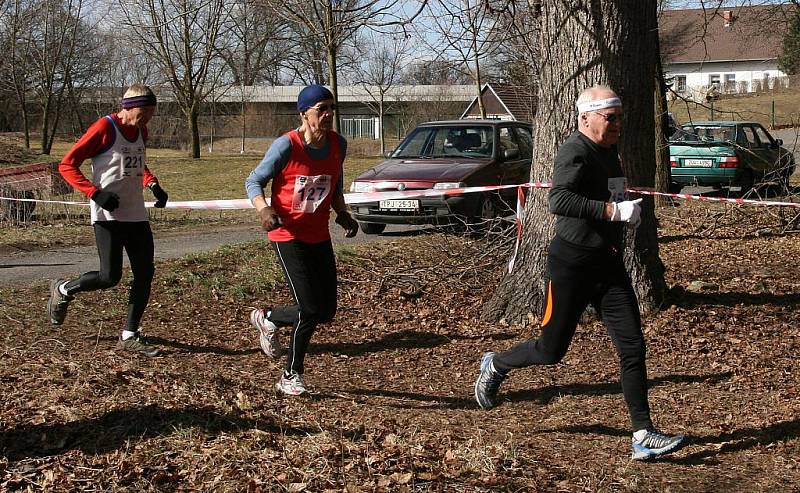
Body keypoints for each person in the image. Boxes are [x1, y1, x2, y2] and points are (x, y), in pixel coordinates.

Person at [474, 85, 685, 461]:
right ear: (585, 118)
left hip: (608, 264)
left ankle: (642, 434)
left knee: (633, 347)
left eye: (620, 116)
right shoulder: (575, 149)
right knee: (550, 350)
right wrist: (610, 212)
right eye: (611, 117)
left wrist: (625, 211)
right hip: (571, 266)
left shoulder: (608, 149)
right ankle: (497, 364)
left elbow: (610, 194)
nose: (618, 123)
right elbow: (559, 199)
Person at [245, 84, 358, 396]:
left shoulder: (338, 144)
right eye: (321, 109)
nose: (328, 114)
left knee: (326, 311)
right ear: (304, 113)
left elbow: (334, 182)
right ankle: (290, 376)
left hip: (318, 234)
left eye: (332, 108)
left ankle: (268, 318)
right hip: (287, 234)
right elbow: (253, 181)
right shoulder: (286, 146)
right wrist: (264, 209)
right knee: (308, 309)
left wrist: (342, 213)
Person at [47, 84, 168, 357]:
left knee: (145, 273)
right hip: (108, 216)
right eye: (143, 112)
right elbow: (67, 165)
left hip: (136, 214)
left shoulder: (141, 130)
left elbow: (137, 162)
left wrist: (152, 184)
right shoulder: (104, 128)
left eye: (151, 112)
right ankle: (64, 288)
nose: (147, 118)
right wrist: (95, 193)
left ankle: (129, 334)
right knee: (108, 276)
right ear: (128, 107)